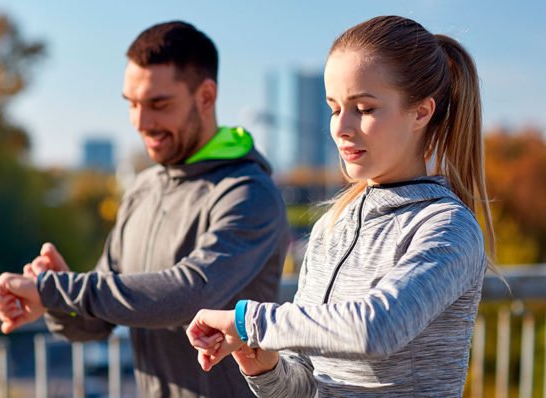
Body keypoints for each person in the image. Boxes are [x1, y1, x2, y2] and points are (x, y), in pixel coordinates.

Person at [186, 15, 497, 397]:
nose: (340, 127)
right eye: (334, 108)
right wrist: (264, 366)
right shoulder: (333, 226)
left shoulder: (448, 227)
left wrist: (250, 320)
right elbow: (305, 385)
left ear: (421, 112)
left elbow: (376, 328)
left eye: (363, 108)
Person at [0, 21, 289, 398]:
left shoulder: (248, 192)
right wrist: (57, 303)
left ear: (206, 97)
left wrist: (60, 289)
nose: (141, 122)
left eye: (158, 104)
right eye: (131, 103)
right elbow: (93, 325)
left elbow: (190, 294)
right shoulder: (143, 189)